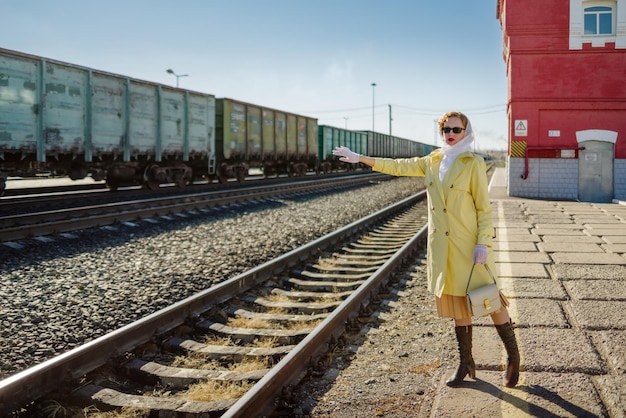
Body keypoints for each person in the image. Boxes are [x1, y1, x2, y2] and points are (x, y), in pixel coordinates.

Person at [332, 111, 520, 388]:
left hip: (469, 244)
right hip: (443, 246)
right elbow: (398, 165)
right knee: (457, 302)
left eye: (456, 129)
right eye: (446, 129)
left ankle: (513, 357)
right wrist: (361, 158)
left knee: (489, 299)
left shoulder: (473, 163)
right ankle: (466, 362)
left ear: (466, 131)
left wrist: (483, 242)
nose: (451, 134)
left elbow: (483, 207)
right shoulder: (433, 160)